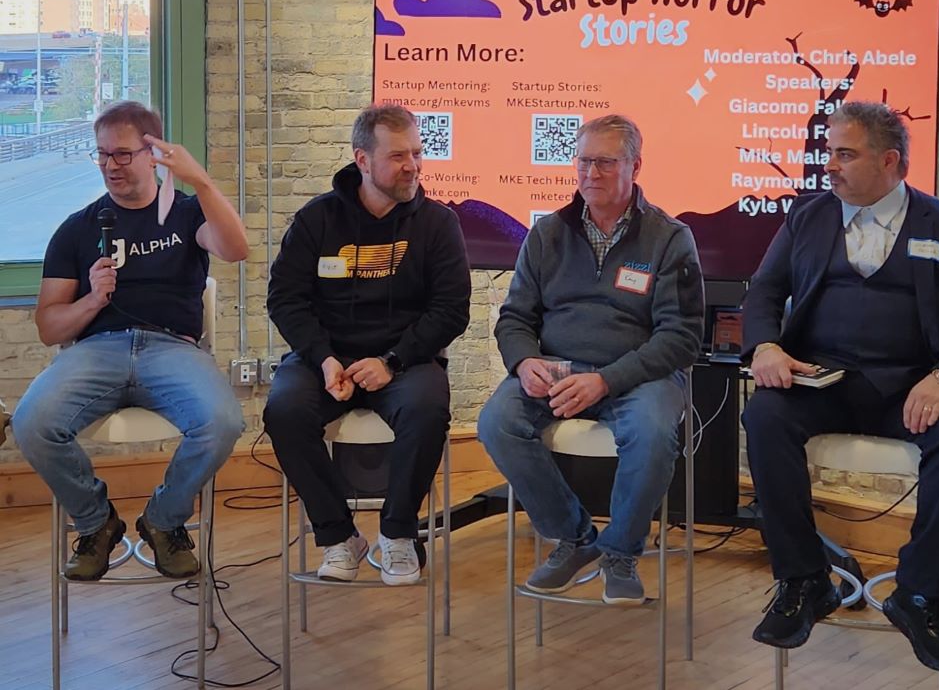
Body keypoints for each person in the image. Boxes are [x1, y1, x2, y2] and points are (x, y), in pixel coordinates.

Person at [741, 101, 939, 672]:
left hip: (915, 387)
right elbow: (763, 291)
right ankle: (804, 579)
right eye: (829, 152)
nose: (829, 165)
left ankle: (922, 596)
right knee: (764, 416)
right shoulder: (806, 218)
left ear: (890, 162)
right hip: (823, 379)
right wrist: (765, 346)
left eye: (844, 154)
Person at [12, 100, 247, 580]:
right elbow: (49, 327)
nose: (109, 167)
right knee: (31, 423)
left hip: (174, 349)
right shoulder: (77, 229)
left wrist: (200, 181)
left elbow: (236, 249)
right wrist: (91, 302)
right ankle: (97, 523)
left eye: (120, 155)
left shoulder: (184, 212)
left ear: (153, 154)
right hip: (98, 350)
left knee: (222, 423)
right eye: (101, 156)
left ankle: (163, 522)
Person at [478, 114, 704, 605]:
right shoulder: (546, 235)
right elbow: (515, 318)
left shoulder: (669, 239)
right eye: (583, 161)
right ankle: (575, 538)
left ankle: (620, 553)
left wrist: (606, 380)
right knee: (497, 421)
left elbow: (682, 338)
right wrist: (524, 363)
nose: (590, 174)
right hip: (558, 367)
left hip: (639, 375)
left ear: (635, 166)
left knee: (650, 431)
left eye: (605, 162)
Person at [264, 104, 471, 586]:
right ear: (362, 159)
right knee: (283, 411)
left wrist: (392, 361)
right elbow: (285, 299)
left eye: (418, 153)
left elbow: (450, 311)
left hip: (404, 359)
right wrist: (322, 358)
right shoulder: (317, 220)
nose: (413, 166)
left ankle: (397, 534)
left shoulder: (438, 224)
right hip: (327, 359)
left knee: (426, 409)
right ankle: (339, 538)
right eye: (399, 155)